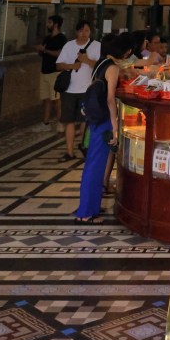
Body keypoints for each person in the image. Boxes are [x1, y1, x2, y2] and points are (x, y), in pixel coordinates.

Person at [73, 32, 133, 223]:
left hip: (95, 120)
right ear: (124, 51)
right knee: (96, 166)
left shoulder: (100, 63)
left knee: (92, 164)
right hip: (105, 120)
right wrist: (115, 127)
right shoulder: (112, 68)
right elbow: (109, 99)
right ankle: (86, 214)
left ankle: (87, 209)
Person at [56, 21, 101, 161]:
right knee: (69, 121)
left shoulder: (96, 46)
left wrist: (86, 60)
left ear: (90, 32)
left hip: (87, 90)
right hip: (69, 90)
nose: (84, 33)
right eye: (81, 30)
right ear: (76, 32)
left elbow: (100, 66)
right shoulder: (69, 46)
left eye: (87, 30)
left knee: (85, 121)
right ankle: (69, 152)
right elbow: (58, 65)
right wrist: (72, 65)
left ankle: (84, 147)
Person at [35, 14, 66, 128]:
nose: (47, 25)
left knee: (56, 100)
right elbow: (42, 52)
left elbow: (59, 54)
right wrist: (40, 50)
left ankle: (60, 122)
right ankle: (45, 122)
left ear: (56, 25)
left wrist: (45, 50)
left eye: (49, 23)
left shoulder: (61, 38)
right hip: (44, 72)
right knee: (46, 99)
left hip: (55, 73)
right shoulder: (47, 38)